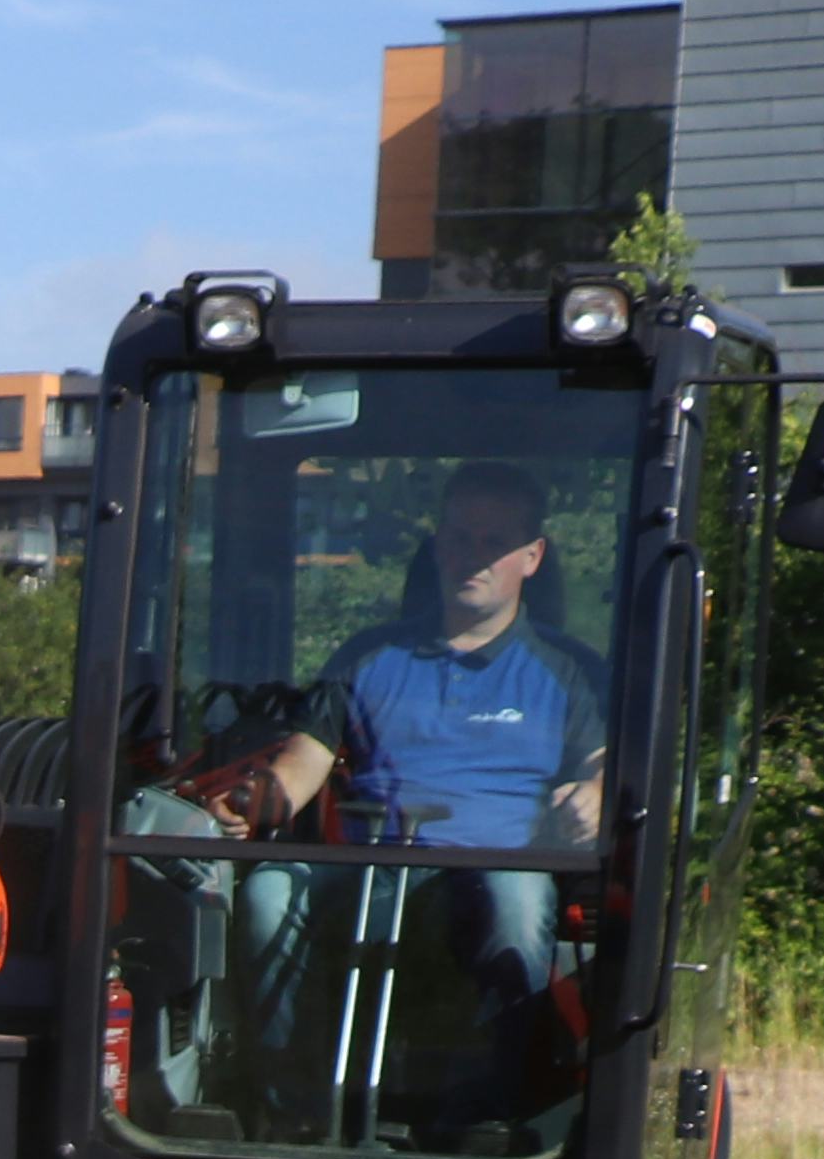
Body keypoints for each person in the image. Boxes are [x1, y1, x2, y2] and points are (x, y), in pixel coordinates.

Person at [188, 460, 605, 1120]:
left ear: (531, 557)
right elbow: (300, 767)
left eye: (493, 543)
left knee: (519, 898)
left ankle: (497, 1118)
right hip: (369, 874)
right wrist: (252, 801)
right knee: (270, 886)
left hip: (492, 872)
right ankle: (286, 1109)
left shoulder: (571, 671)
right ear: (437, 545)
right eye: (461, 538)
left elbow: (605, 770)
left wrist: (596, 794)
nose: (474, 557)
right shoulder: (368, 655)